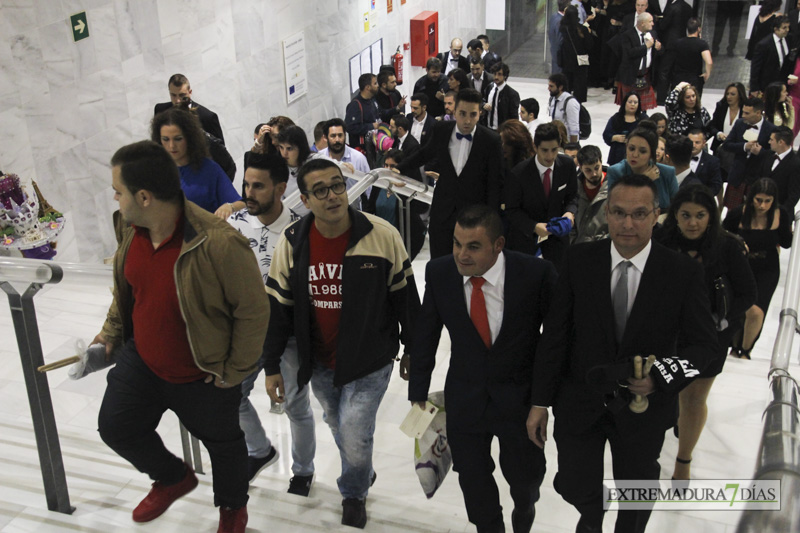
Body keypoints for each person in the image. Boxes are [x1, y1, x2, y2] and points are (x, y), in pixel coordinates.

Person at [526, 173, 718, 533]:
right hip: (581, 401)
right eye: (618, 212)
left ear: (656, 215)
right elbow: (554, 335)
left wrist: (661, 376)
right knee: (575, 485)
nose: (628, 223)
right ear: (606, 214)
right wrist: (539, 402)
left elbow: (704, 345)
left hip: (643, 414)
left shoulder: (682, 272)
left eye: (640, 213)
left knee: (637, 495)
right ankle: (591, 518)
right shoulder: (579, 260)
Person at [95, 140, 269, 533]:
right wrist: (110, 333)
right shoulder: (130, 226)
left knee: (224, 446)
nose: (116, 200)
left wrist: (235, 370)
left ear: (144, 196)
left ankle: (231, 509)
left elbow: (254, 311)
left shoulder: (219, 242)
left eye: (118, 192)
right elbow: (128, 288)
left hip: (202, 370)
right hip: (143, 359)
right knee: (115, 427)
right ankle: (173, 477)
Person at [263, 158, 419, 529]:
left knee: (352, 430)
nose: (333, 195)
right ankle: (361, 470)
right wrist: (271, 366)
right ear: (304, 198)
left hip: (371, 358)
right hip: (319, 360)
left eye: (337, 185)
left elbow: (406, 298)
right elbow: (278, 308)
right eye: (320, 190)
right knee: (338, 421)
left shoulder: (382, 235)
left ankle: (353, 492)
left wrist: (413, 348)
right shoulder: (293, 242)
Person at [409, 205, 556, 533]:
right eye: (456, 244)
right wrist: (417, 392)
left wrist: (542, 402)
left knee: (525, 477)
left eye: (473, 246)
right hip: (465, 396)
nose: (461, 254)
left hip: (519, 400)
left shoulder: (535, 274)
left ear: (498, 245)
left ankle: (524, 508)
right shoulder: (440, 273)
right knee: (473, 478)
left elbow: (556, 340)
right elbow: (426, 334)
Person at [226, 152, 319, 495]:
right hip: (245, 333)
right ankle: (259, 449)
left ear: (281, 188)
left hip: (288, 335)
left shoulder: (301, 229)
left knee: (295, 404)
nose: (249, 192)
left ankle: (303, 470)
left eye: (258, 186)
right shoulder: (233, 225)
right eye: (246, 184)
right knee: (232, 395)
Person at [655, 185, 756, 480]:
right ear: (674, 215)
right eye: (685, 215)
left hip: (712, 335)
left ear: (711, 216)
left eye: (700, 215)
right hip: (668, 333)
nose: (693, 222)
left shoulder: (727, 246)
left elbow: (747, 293)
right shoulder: (662, 240)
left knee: (694, 398)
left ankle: (683, 461)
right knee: (665, 391)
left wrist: (720, 321)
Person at [397, 88, 503, 259]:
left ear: (480, 114)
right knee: (439, 261)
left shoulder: (491, 140)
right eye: (462, 113)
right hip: (442, 213)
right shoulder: (441, 129)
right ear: (454, 111)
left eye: (473, 114)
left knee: (470, 264)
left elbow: (494, 184)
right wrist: (399, 168)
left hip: (474, 216)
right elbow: (425, 153)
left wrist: (491, 222)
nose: (467, 120)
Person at [723, 178, 793, 359]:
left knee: (756, 310)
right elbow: (722, 236)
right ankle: (735, 346)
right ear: (751, 197)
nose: (762, 205)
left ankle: (745, 350)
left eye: (767, 201)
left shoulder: (781, 214)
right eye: (758, 200)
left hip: (767, 268)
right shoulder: (738, 214)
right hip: (740, 266)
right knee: (739, 309)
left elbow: (786, 243)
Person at [505, 122, 578, 265]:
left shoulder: (567, 166)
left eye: (554, 149)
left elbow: (573, 197)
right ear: (535, 147)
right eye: (544, 150)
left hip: (558, 241)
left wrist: (570, 213)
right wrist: (534, 226)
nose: (550, 155)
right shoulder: (519, 173)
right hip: (527, 242)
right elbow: (511, 210)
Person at [151, 108, 243, 218]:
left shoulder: (209, 169)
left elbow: (241, 204)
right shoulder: (155, 171)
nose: (171, 146)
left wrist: (229, 207)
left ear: (189, 138)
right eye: (165, 139)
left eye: (178, 139)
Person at [607, 122, 680, 210]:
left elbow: (678, 209)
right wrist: (643, 180)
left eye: (642, 151)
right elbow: (616, 207)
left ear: (651, 154)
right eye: (631, 148)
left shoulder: (667, 173)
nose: (635, 154)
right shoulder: (615, 172)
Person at [721, 97, 777, 209]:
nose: (743, 116)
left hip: (756, 178)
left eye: (747, 113)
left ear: (758, 113)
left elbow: (774, 155)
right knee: (732, 211)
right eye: (743, 112)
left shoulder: (771, 129)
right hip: (738, 176)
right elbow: (727, 145)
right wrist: (744, 146)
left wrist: (761, 152)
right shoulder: (739, 123)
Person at [154, 73, 224, 144]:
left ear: (190, 92)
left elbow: (220, 152)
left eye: (182, 95)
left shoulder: (207, 117)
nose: (177, 100)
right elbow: (157, 142)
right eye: (173, 95)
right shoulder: (160, 110)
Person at [615, 13, 661, 111]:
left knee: (643, 108)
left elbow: (658, 52)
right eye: (650, 21)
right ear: (642, 23)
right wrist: (646, 47)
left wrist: (659, 48)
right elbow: (629, 53)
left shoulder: (652, 34)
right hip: (630, 75)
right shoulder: (627, 35)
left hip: (645, 74)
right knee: (628, 107)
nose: (653, 24)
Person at [663, 18, 712, 95]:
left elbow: (670, 61)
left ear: (687, 29)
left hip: (678, 78)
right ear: (699, 29)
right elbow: (709, 61)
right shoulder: (702, 44)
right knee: (693, 102)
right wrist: (707, 73)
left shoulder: (677, 43)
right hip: (695, 79)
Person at [276, 125, 318, 216]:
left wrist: (342, 165)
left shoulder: (313, 160)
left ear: (300, 148)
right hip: (293, 219)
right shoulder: (278, 169)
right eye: (281, 147)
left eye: (289, 148)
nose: (284, 153)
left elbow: (333, 164)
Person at [572, 144, 609, 243]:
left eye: (597, 168)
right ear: (580, 167)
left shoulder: (615, 187)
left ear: (601, 162)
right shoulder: (574, 188)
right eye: (588, 170)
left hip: (605, 248)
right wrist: (573, 241)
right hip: (579, 248)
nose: (594, 174)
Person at [759, 125, 800, 212]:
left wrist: (780, 212)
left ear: (781, 142)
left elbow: (794, 195)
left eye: (771, 140)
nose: (769, 142)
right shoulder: (768, 155)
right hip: (761, 210)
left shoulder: (795, 164)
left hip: (781, 213)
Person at [750, 16, 793, 96]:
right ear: (776, 29)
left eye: (788, 27)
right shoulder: (763, 45)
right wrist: (754, 87)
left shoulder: (788, 39)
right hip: (767, 85)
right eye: (784, 28)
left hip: (782, 84)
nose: (787, 30)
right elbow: (755, 68)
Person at [559, 5, 593, 103]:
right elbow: (590, 45)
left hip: (566, 62)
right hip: (580, 63)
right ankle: (578, 104)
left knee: (567, 84)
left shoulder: (562, 29)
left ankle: (566, 101)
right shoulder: (583, 29)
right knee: (580, 85)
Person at [603, 92, 648, 165]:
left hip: (638, 156)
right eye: (630, 102)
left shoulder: (643, 119)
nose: (632, 104)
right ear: (625, 103)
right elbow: (606, 134)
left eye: (635, 102)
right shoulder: (616, 118)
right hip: (617, 155)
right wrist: (614, 138)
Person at [345, 73, 382, 152]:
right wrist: (371, 126)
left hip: (374, 146)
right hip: (361, 150)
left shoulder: (372, 100)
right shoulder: (355, 105)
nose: (377, 85)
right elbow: (350, 127)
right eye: (375, 83)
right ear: (368, 87)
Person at [484, 63, 521, 130]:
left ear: (505, 76)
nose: (496, 77)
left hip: (502, 131)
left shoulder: (512, 94)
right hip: (488, 129)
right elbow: (483, 100)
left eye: (499, 74)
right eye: (494, 74)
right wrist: (484, 105)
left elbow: (514, 117)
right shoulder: (489, 87)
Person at [686, 129, 722, 196]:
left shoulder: (712, 161)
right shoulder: (678, 157)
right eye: (691, 142)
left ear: (704, 143)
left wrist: (702, 196)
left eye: (697, 142)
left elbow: (716, 186)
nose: (693, 145)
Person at [547, 73, 581, 143]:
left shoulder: (570, 102)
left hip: (567, 142)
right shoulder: (552, 99)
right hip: (556, 140)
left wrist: (572, 147)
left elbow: (574, 127)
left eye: (551, 86)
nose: (548, 88)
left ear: (560, 87)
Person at [549, 0, 571, 74]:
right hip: (560, 57)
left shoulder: (554, 16)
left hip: (555, 53)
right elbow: (560, 41)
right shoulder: (560, 22)